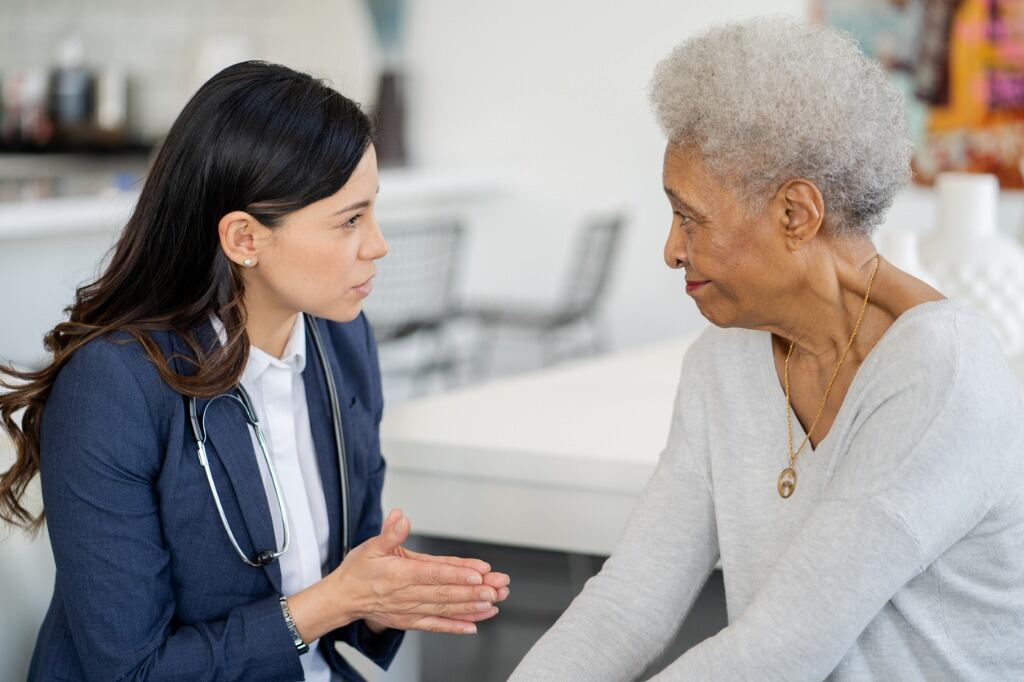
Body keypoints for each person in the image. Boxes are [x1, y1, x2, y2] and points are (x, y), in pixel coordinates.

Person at [511, 17, 1024, 681]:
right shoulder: (721, 363)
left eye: (690, 218)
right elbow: (626, 605)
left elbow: (782, 649)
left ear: (795, 215)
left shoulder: (942, 373)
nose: (672, 250)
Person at [0, 61, 508, 681]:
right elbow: (133, 671)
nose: (378, 244)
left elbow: (336, 598)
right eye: (349, 220)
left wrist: (382, 598)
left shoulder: (341, 342)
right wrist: (338, 600)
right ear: (244, 238)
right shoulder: (114, 386)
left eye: (372, 212)